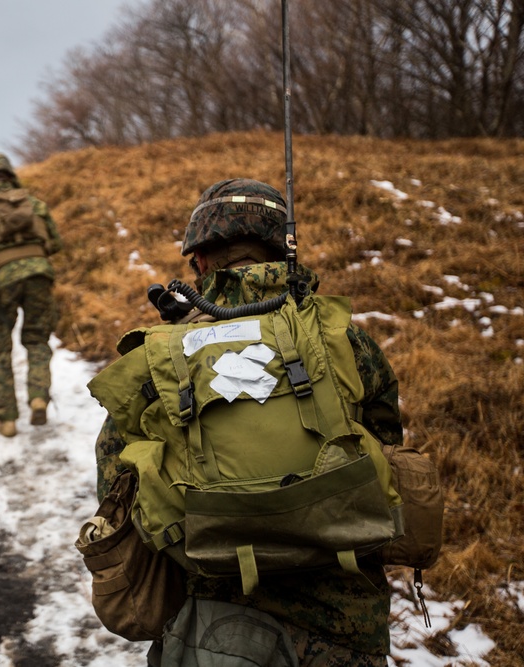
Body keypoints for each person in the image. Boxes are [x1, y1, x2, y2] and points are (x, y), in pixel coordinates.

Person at [92, 178, 403, 666]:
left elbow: (117, 486)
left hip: (214, 626)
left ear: (199, 261)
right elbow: (387, 452)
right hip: (344, 620)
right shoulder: (345, 340)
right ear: (284, 254)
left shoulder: (159, 355)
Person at [0, 154, 63, 438]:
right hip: (39, 275)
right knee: (37, 341)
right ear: (10, 174)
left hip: (2, 279)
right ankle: (38, 398)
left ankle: (6, 419)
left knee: (0, 347)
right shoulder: (35, 203)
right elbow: (55, 242)